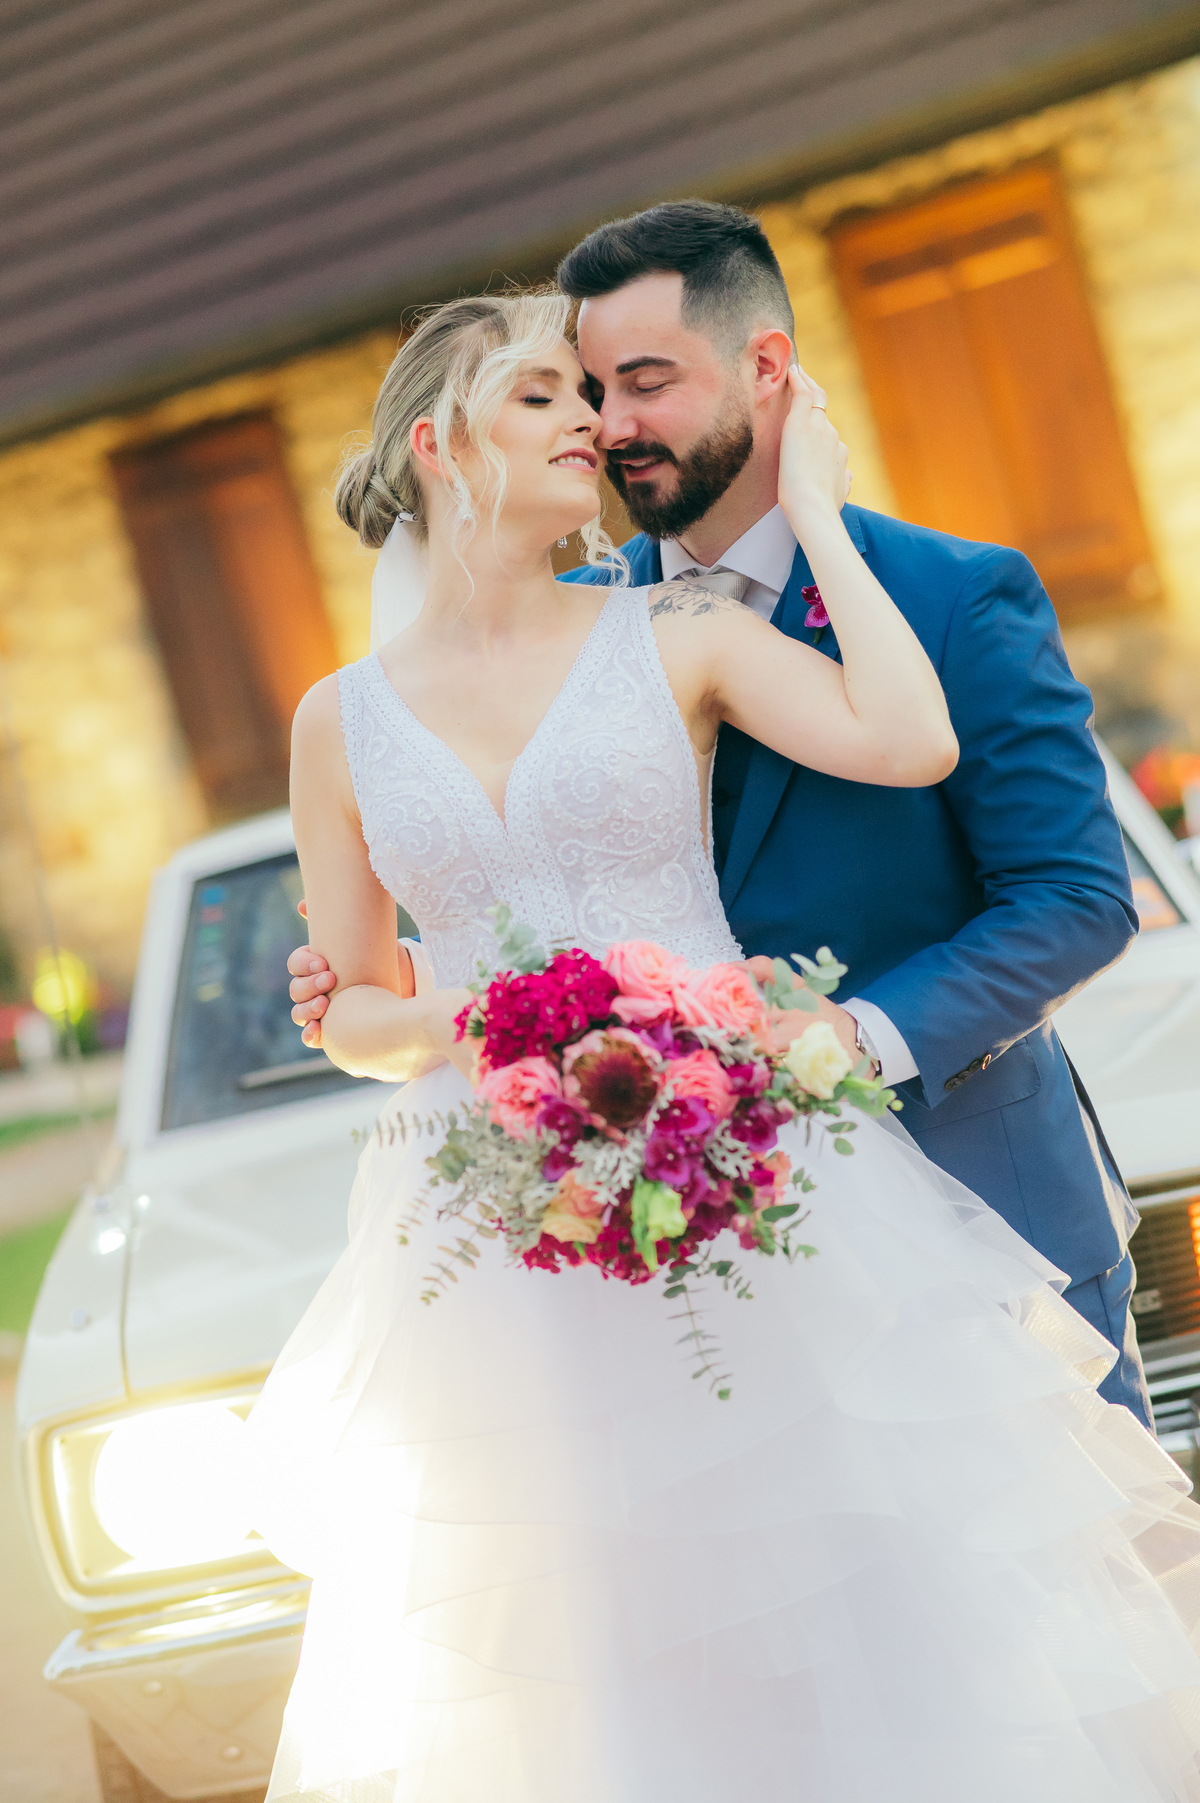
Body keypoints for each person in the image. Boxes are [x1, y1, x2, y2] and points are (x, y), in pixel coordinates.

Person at [248, 288, 1200, 1802]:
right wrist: (477, 1026)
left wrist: (816, 507)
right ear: (438, 444)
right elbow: (355, 1010)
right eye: (543, 400)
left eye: (592, 396)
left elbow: (911, 740)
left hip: (744, 1175)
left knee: (869, 1592)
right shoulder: (336, 720)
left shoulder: (673, 629)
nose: (592, 426)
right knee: (598, 1644)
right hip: (500, 1233)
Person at [290, 200, 1151, 1431]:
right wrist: (432, 971)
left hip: (972, 1186)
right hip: (622, 1221)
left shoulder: (955, 597)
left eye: (644, 383)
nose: (608, 424)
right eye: (582, 389)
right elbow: (563, 866)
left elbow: (1074, 898)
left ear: (766, 369)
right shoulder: (583, 619)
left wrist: (851, 1038)